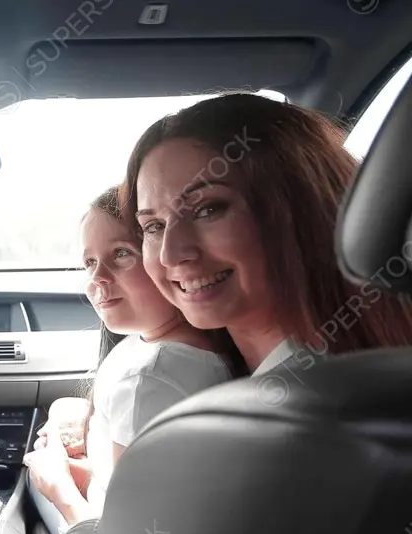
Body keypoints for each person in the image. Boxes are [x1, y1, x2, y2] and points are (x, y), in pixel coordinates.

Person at [124, 93, 412, 375]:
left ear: (300, 207)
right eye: (154, 227)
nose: (170, 254)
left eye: (208, 209)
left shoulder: (326, 393)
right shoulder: (206, 376)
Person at [23, 186, 239, 534]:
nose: (98, 279)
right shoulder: (156, 347)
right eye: (90, 262)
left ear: (165, 257)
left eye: (121, 253)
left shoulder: (149, 377)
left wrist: (57, 484)